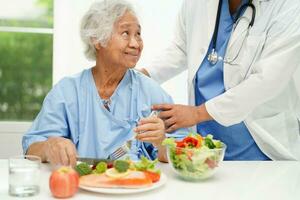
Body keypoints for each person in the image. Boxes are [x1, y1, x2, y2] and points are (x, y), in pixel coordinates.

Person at [22, 0, 186, 167]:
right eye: (125, 33)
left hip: (137, 187)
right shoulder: (67, 92)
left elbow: (184, 153)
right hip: (81, 187)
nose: (135, 44)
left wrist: (162, 142)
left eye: (138, 34)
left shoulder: (151, 92)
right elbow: (31, 149)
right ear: (97, 40)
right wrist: (49, 146)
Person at [140, 0, 300, 160]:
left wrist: (197, 113)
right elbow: (181, 48)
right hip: (204, 143)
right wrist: (142, 75)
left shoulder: (288, 6)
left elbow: (267, 80)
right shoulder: (197, 4)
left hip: (260, 145)